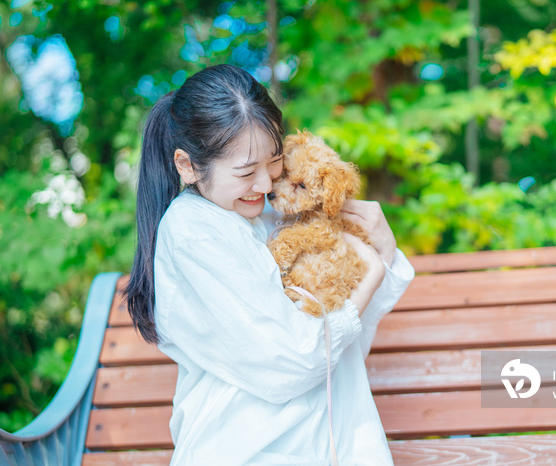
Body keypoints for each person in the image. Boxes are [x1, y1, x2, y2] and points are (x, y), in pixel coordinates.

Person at [125, 64, 415, 465]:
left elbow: (344, 349)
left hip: (327, 439)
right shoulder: (193, 232)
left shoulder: (265, 214)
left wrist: (383, 249)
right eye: (246, 172)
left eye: (275, 162)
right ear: (187, 165)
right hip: (252, 449)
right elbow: (293, 364)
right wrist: (370, 281)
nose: (266, 186)